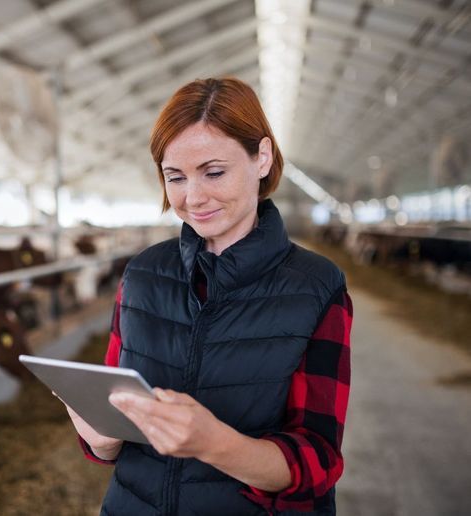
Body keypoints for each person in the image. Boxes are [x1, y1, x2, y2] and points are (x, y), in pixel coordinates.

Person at [66, 77, 353, 516]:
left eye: (214, 172)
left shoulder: (316, 286)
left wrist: (217, 445)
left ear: (262, 157)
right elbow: (115, 414)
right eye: (174, 177)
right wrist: (100, 439)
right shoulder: (142, 274)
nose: (193, 197)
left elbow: (317, 462)